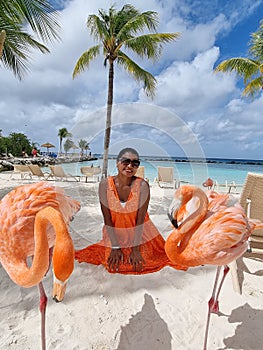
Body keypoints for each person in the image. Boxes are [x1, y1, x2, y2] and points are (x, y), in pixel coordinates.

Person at [75, 147, 186, 274]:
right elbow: (107, 218)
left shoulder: (142, 186)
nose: (130, 166)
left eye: (135, 163)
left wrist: (135, 249)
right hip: (114, 234)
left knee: (141, 261)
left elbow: (140, 220)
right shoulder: (105, 185)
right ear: (117, 163)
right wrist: (115, 246)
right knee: (112, 263)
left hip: (140, 234)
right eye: (125, 161)